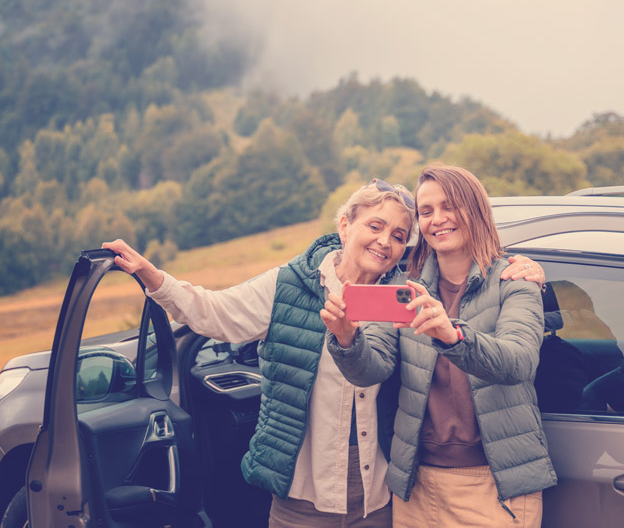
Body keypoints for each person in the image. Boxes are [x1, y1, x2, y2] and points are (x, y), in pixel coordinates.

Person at [103, 178, 542, 528]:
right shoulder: (291, 283)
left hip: (382, 493)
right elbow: (216, 314)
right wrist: (154, 277)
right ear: (345, 225)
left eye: (398, 235)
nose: (384, 241)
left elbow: (382, 366)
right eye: (374, 226)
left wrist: (533, 273)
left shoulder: (403, 293)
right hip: (305, 491)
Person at [323, 164, 557, 528]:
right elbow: (372, 369)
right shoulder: (407, 286)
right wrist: (346, 338)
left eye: (450, 206)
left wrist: (453, 335)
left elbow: (519, 361)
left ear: (475, 208)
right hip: (417, 487)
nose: (438, 219)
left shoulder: (514, 280)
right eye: (426, 211)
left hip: (494, 487)